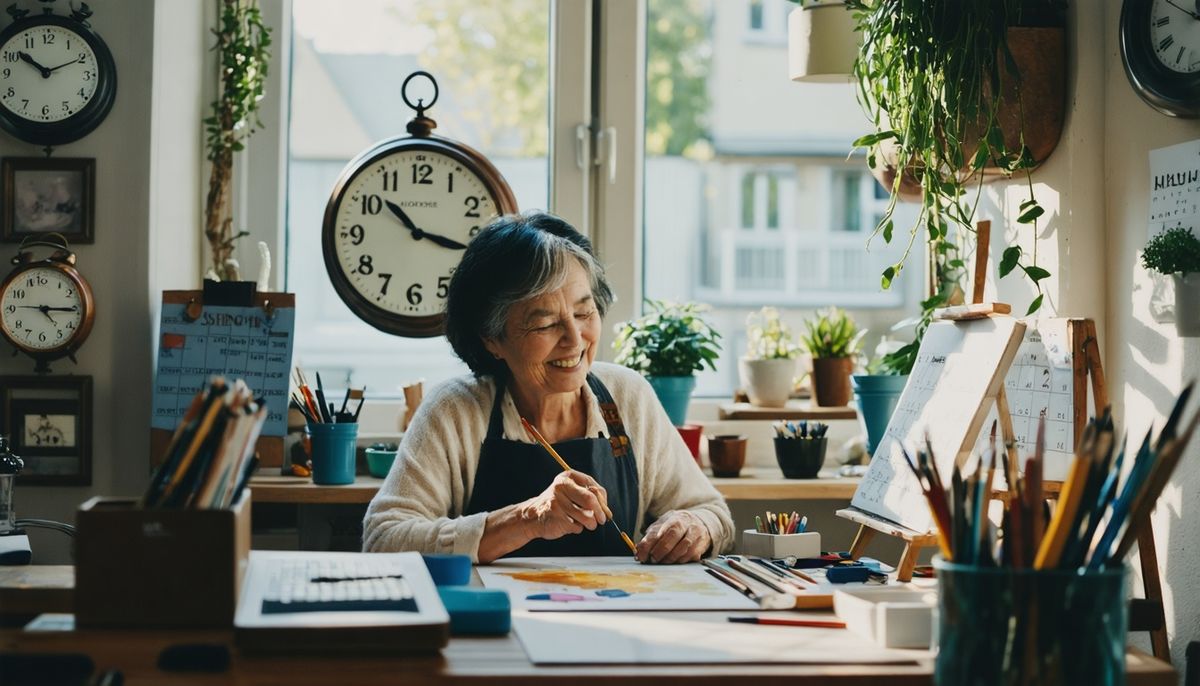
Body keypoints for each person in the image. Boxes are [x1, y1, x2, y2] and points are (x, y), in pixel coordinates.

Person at [363, 211, 734, 563]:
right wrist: (527, 518)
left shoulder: (626, 396)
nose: (575, 340)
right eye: (544, 324)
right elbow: (383, 539)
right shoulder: (456, 410)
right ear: (492, 339)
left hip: (615, 611)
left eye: (584, 312)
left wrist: (694, 527)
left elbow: (712, 513)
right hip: (498, 620)